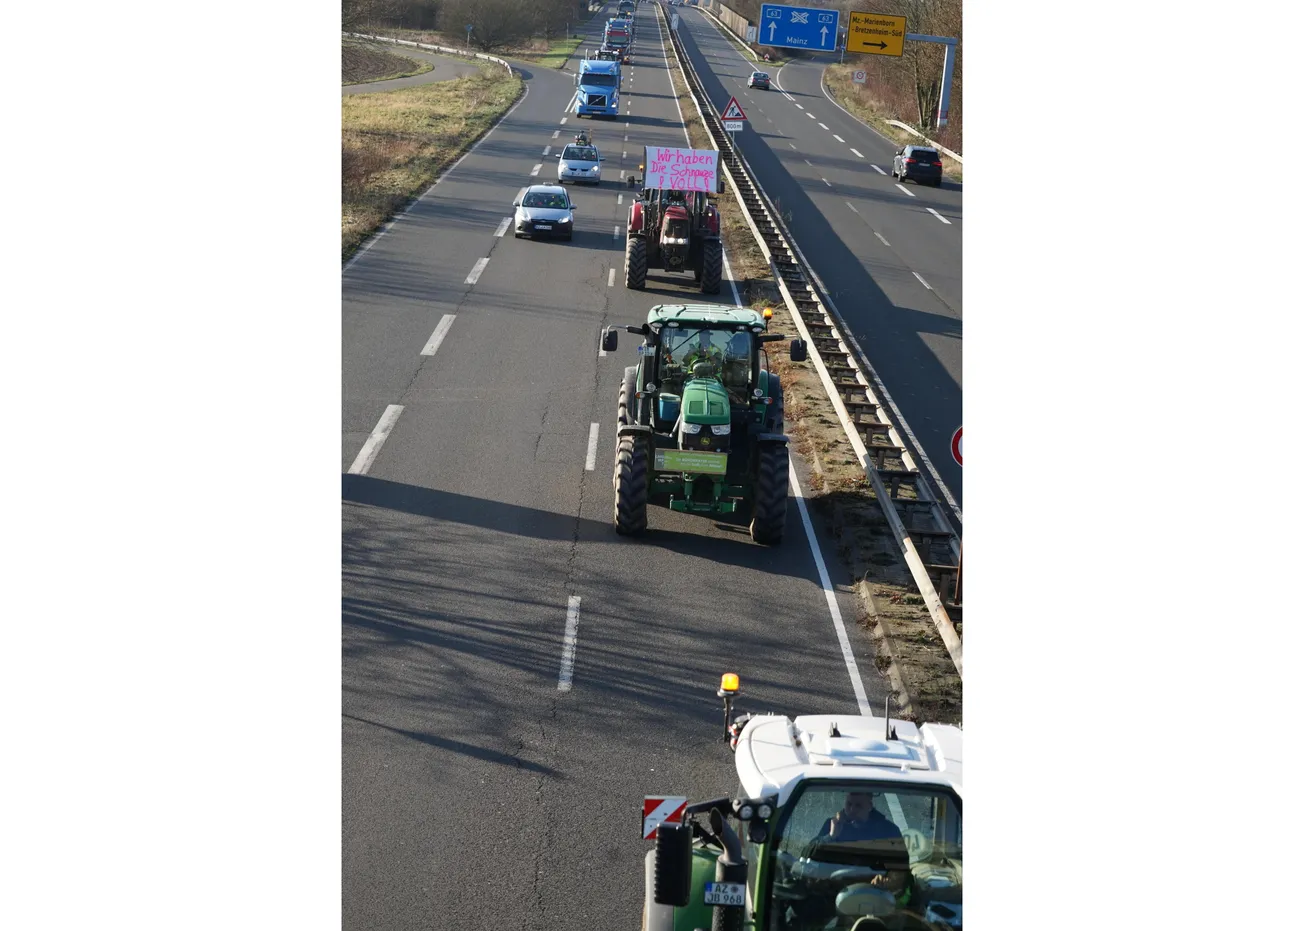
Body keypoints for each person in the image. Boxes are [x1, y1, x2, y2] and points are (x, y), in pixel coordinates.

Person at [816, 791, 904, 845]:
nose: (852, 809)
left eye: (858, 805)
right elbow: (808, 856)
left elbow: (901, 866)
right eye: (849, 804)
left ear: (869, 806)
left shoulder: (888, 830)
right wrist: (830, 837)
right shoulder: (833, 825)